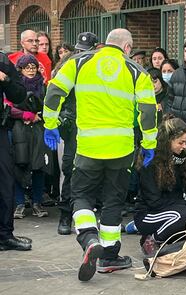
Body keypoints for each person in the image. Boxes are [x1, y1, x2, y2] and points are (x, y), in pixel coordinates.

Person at [42, 28, 158, 281]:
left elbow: (54, 92)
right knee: (113, 200)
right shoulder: (137, 71)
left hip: (88, 148)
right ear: (127, 48)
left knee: (81, 195)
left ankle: (88, 238)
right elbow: (148, 112)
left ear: (106, 43)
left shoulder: (79, 62)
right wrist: (149, 142)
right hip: (122, 150)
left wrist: (49, 124)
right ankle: (108, 256)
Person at [134, 115, 186, 256]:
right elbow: (155, 202)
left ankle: (166, 238)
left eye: (185, 142)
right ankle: (152, 240)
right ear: (168, 141)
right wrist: (185, 206)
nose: (184, 147)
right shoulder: (150, 161)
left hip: (171, 208)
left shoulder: (180, 158)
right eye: (181, 142)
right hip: (148, 214)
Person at [55, 32, 98, 236]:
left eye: (85, 52)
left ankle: (87, 213)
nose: (82, 55)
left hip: (95, 126)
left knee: (93, 172)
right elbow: (57, 95)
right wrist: (62, 119)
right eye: (80, 51)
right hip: (74, 127)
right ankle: (65, 214)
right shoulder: (69, 66)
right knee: (70, 168)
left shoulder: (100, 70)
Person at [9, 54, 50, 219]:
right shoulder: (15, 85)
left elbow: (49, 104)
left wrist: (39, 115)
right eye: (27, 67)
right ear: (21, 69)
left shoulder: (43, 84)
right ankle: (19, 203)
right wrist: (25, 115)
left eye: (33, 67)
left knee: (39, 166)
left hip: (39, 128)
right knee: (19, 165)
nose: (31, 71)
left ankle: (37, 203)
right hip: (19, 129)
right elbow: (8, 107)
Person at [0, 51, 32, 251]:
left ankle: (4, 235)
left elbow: (20, 94)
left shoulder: (2, 60)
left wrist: (5, 80)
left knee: (5, 181)